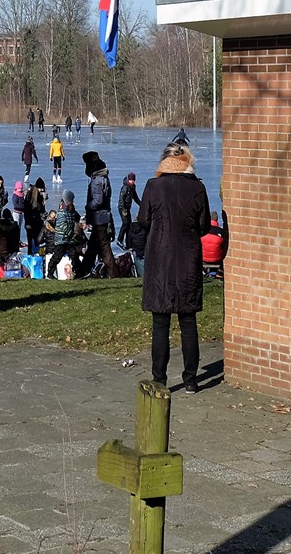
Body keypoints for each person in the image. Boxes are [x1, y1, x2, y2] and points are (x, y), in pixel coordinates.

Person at [138, 141, 212, 394]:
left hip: (160, 259)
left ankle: (159, 379)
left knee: (160, 323)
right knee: (188, 321)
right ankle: (191, 379)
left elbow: (143, 220)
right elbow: (204, 225)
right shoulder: (198, 188)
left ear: (164, 161)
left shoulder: (153, 186)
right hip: (188, 259)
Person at [81, 151, 120, 277]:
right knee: (94, 247)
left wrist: (88, 206)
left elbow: (98, 201)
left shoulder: (96, 181)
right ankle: (84, 270)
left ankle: (112, 273)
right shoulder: (104, 179)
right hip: (102, 217)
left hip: (99, 218)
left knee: (104, 247)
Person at [47, 191, 82, 279]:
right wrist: (74, 236)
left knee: (74, 256)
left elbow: (77, 218)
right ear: (67, 201)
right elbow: (63, 228)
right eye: (72, 200)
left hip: (69, 240)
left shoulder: (71, 211)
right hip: (61, 240)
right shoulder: (61, 213)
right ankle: (50, 273)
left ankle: (78, 272)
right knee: (57, 257)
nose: (73, 202)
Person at [22, 177, 48, 255]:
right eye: (41, 190)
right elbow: (27, 210)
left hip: (37, 223)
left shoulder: (40, 197)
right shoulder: (30, 196)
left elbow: (42, 209)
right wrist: (29, 222)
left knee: (37, 241)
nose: (42, 192)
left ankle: (36, 255)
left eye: (43, 190)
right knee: (31, 241)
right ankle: (31, 256)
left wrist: (43, 214)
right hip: (30, 223)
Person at [117, 171, 142, 247]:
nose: (132, 181)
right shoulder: (125, 187)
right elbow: (121, 198)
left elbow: (135, 198)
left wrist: (142, 205)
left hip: (127, 208)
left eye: (133, 180)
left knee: (129, 225)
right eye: (131, 180)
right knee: (125, 223)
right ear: (128, 180)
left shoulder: (132, 187)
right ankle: (119, 239)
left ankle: (129, 244)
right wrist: (123, 209)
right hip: (122, 208)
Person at [201, 211, 229, 278]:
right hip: (217, 259)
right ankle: (219, 273)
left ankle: (203, 271)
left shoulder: (203, 231)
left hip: (203, 259)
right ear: (217, 220)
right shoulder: (221, 232)